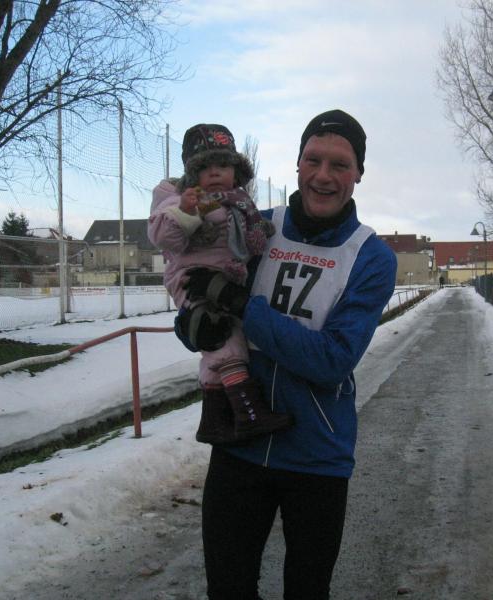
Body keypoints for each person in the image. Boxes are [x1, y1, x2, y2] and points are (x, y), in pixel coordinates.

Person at [179, 109, 397, 599]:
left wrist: (243, 306)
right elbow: (198, 288)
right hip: (239, 444)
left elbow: (333, 359)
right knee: (227, 590)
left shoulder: (372, 257)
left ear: (359, 173)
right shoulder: (255, 226)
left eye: (340, 164)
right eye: (313, 160)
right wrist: (192, 325)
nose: (323, 176)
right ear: (297, 164)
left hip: (317, 455)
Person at [148, 123, 293, 445]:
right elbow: (164, 238)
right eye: (205, 167)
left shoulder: (237, 202)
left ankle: (212, 423)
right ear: (191, 173)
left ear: (236, 171)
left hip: (224, 279)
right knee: (225, 343)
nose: (215, 173)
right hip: (194, 279)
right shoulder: (185, 198)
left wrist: (259, 229)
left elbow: (244, 242)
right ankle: (249, 413)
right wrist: (185, 212)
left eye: (223, 165)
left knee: (216, 343)